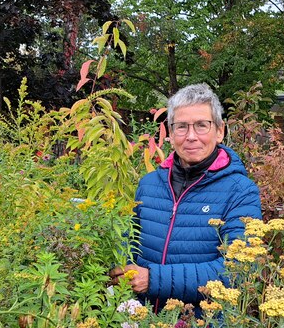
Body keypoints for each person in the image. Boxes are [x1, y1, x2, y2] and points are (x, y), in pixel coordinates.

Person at [110, 83, 262, 308]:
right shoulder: (149, 185)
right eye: (181, 126)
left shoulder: (240, 192)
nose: (191, 136)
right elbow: (127, 241)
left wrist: (153, 279)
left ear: (219, 131)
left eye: (202, 125)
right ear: (170, 133)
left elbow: (238, 269)